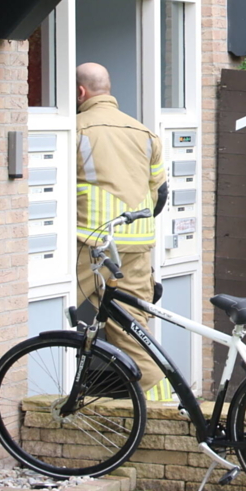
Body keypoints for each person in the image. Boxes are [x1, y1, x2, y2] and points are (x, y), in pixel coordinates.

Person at [75, 62, 171, 401]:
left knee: (57, 307)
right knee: (134, 327)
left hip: (92, 240)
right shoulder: (143, 132)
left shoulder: (75, 129)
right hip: (138, 242)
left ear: (80, 93)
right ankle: (162, 402)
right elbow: (160, 193)